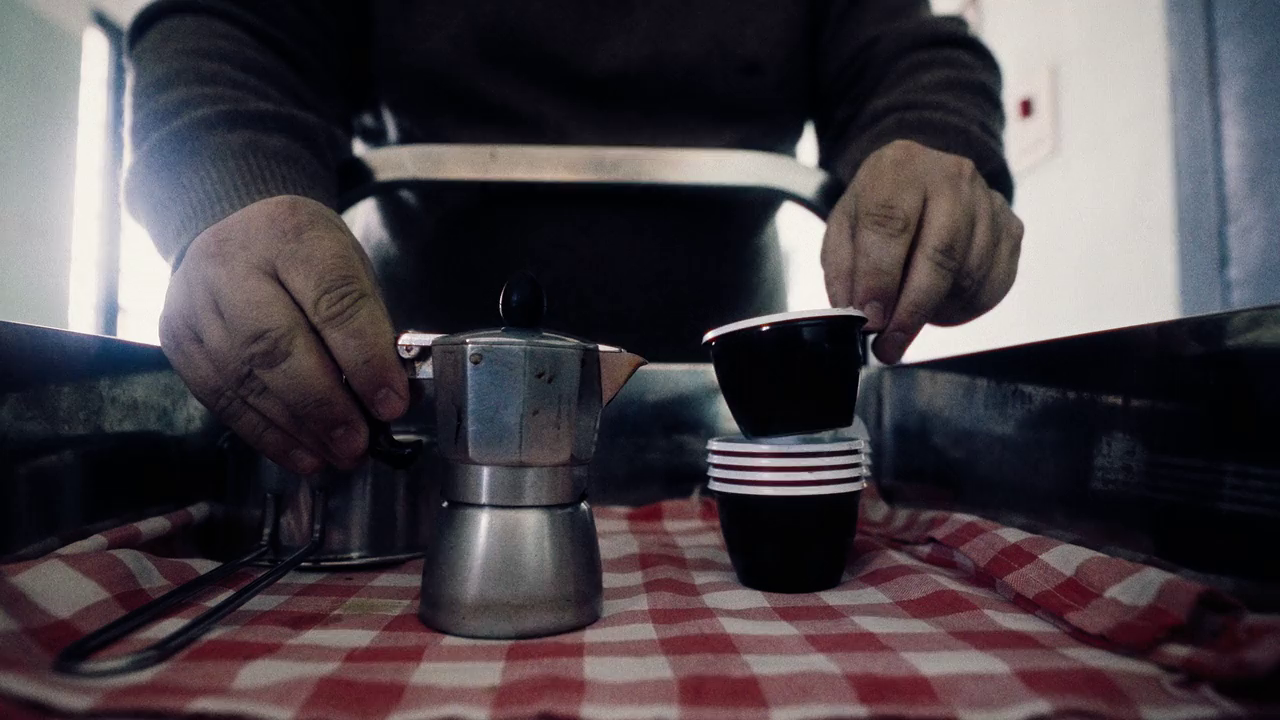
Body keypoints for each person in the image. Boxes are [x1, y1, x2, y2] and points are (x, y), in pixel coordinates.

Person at [125, 0, 1023, 475]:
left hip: (729, 428)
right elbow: (231, 29)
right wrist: (231, 199)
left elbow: (909, 54)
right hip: (407, 432)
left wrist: (935, 151)